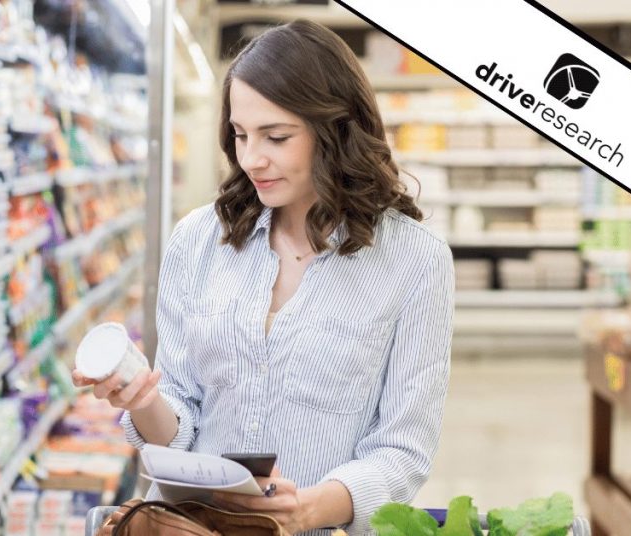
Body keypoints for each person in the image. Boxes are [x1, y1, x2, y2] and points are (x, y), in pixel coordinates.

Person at [72, 19, 454, 535]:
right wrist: (145, 403)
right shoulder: (199, 240)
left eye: (276, 137)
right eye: (240, 134)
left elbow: (402, 450)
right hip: (189, 527)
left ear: (336, 130)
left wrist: (309, 509)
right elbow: (177, 421)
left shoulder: (414, 260)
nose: (252, 159)